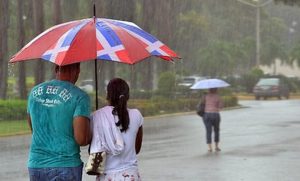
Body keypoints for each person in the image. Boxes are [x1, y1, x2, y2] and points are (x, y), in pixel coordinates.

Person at [27, 63, 91, 181]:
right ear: (77, 70)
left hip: (36, 165)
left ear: (56, 69)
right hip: (66, 165)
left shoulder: (34, 93)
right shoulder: (80, 97)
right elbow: (81, 139)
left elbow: (34, 129)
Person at [89, 78, 143, 181]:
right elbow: (137, 148)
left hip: (106, 176)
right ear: (127, 96)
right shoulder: (136, 115)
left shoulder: (97, 116)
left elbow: (93, 146)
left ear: (108, 96)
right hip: (131, 176)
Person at [202, 88, 223, 152]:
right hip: (215, 115)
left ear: (209, 90)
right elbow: (221, 106)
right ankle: (216, 147)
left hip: (207, 115)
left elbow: (202, 104)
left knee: (208, 131)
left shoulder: (205, 96)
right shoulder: (218, 97)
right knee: (216, 130)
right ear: (216, 90)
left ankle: (209, 148)